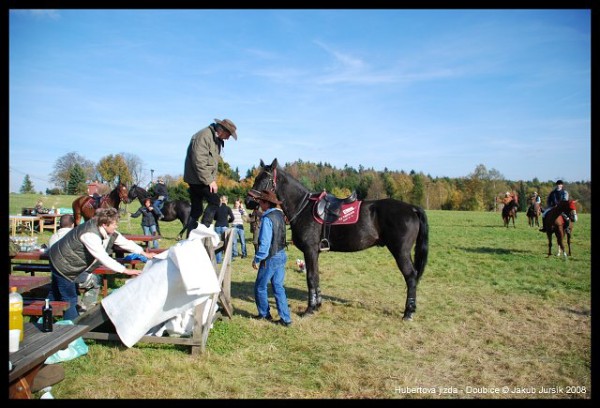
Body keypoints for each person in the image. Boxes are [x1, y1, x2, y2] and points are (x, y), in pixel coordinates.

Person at [47, 207, 156, 320]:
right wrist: (126, 270)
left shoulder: (105, 229)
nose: (116, 226)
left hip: (62, 260)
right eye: (114, 224)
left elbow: (125, 242)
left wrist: (144, 253)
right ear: (104, 224)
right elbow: (103, 257)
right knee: (69, 299)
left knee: (54, 294)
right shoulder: (90, 235)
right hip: (63, 265)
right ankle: (71, 331)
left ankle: (41, 319)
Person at [183, 118, 238, 237]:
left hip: (201, 178)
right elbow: (199, 162)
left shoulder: (214, 139)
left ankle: (191, 236)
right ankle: (204, 229)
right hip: (198, 179)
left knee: (196, 210)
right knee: (215, 201)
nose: (228, 138)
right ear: (221, 130)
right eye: (228, 135)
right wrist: (210, 181)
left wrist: (212, 180)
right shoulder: (204, 136)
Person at [250, 190, 292, 327]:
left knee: (260, 287)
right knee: (278, 287)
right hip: (281, 254)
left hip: (270, 257)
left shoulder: (267, 218)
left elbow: (265, 243)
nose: (260, 204)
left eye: (261, 202)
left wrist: (257, 259)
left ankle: (264, 314)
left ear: (267, 203)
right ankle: (285, 319)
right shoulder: (280, 215)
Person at [214, 195, 234, 264]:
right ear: (226, 200)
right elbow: (232, 218)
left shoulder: (217, 207)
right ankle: (229, 259)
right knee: (227, 243)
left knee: (218, 243)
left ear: (221, 200)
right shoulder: (228, 208)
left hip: (217, 226)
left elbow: (214, 217)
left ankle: (218, 260)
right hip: (225, 226)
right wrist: (228, 221)